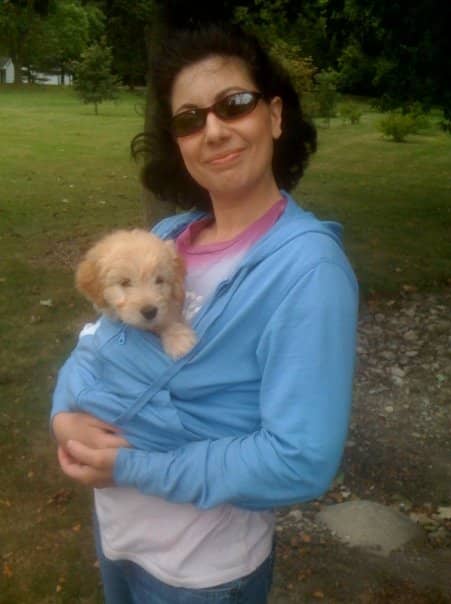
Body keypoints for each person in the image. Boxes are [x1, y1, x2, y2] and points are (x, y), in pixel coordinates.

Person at [51, 24, 358, 604]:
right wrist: (63, 417)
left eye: (233, 104)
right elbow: (93, 346)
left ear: (273, 115)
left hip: (200, 571)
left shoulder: (308, 271)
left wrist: (133, 468)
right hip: (122, 536)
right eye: (190, 118)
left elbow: (299, 461)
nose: (212, 130)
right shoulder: (169, 238)